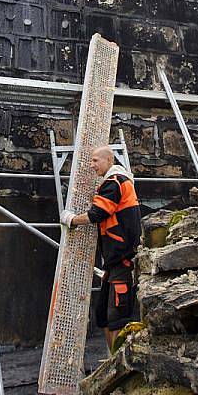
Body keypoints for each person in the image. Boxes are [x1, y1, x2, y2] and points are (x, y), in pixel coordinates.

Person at [60, 146, 142, 352]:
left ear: (109, 160)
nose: (92, 165)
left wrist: (71, 219)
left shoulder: (114, 183)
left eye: (96, 160)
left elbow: (97, 213)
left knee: (117, 319)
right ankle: (114, 364)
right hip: (114, 263)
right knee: (104, 317)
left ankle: (119, 370)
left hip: (122, 260)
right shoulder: (119, 183)